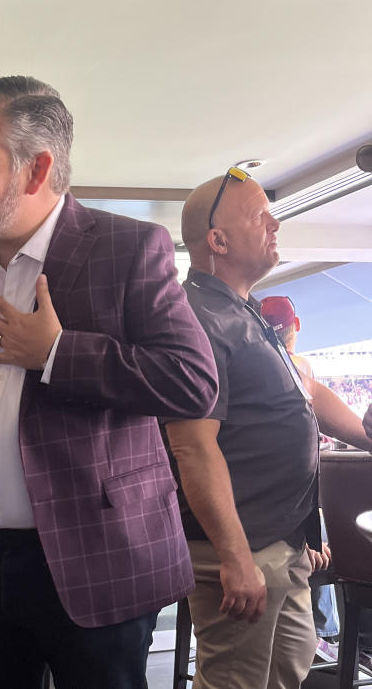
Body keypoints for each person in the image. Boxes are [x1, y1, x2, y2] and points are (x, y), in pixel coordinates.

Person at [0, 75, 219, 689]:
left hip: (100, 557)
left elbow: (193, 381)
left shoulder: (129, 248)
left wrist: (58, 354)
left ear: (36, 171)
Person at [166, 170, 372, 689]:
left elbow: (307, 394)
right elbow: (193, 447)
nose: (275, 222)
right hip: (240, 546)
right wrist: (236, 559)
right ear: (218, 240)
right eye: (260, 215)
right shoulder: (197, 319)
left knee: (288, 667)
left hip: (283, 541)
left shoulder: (245, 312)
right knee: (234, 680)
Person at [260, 294, 372, 669]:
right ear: (298, 326)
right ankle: (334, 637)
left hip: (286, 524)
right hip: (273, 530)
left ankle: (334, 639)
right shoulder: (288, 371)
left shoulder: (289, 370)